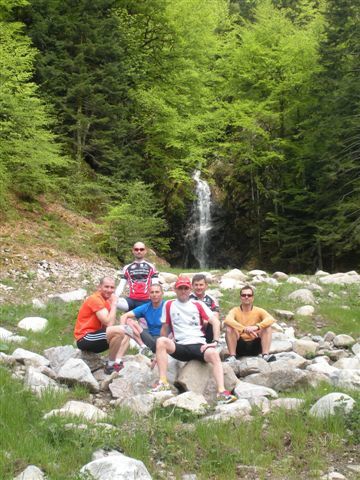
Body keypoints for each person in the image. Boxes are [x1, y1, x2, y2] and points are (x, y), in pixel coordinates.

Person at [151, 276, 237, 405]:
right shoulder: (168, 304)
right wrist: (158, 353)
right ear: (175, 289)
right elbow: (164, 328)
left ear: (190, 289)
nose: (183, 291)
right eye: (180, 288)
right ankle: (163, 382)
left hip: (199, 345)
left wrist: (214, 341)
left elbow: (215, 321)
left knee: (213, 353)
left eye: (186, 288)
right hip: (180, 346)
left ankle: (221, 392)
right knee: (161, 341)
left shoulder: (198, 304)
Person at [74, 277, 130, 374]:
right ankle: (111, 365)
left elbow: (108, 326)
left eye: (112, 287)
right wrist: (114, 304)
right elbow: (109, 323)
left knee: (127, 332)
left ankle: (116, 362)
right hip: (85, 338)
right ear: (99, 287)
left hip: (96, 337)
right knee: (120, 330)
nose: (109, 290)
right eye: (106, 287)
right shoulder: (95, 299)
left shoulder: (106, 302)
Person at [224, 285, 276, 363]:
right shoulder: (235, 310)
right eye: (244, 295)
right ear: (240, 297)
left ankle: (265, 355)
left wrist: (256, 327)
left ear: (253, 297)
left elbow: (271, 319)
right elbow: (227, 320)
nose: (246, 297)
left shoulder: (259, 310)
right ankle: (232, 356)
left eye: (249, 295)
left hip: (256, 344)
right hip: (239, 345)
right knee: (229, 328)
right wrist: (244, 329)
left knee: (267, 327)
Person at [120, 283, 165, 356]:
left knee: (134, 324)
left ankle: (147, 348)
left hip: (163, 339)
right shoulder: (146, 307)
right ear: (149, 294)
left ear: (162, 293)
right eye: (152, 292)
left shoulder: (167, 306)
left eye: (157, 292)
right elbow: (124, 316)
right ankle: (143, 347)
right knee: (129, 321)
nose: (154, 294)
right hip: (150, 337)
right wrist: (122, 331)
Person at [115, 241, 159, 311]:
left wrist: (156, 299)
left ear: (145, 251)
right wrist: (115, 296)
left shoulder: (151, 267)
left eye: (141, 249)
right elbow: (121, 285)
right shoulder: (127, 267)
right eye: (136, 249)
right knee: (111, 301)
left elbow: (155, 285)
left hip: (146, 301)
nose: (139, 251)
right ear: (133, 251)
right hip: (131, 301)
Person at [189, 273, 220, 343]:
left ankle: (212, 344)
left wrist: (206, 321)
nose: (198, 287)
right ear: (192, 286)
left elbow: (216, 317)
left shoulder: (212, 300)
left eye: (201, 285)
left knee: (214, 323)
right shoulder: (187, 299)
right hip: (192, 328)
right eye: (196, 285)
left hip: (208, 328)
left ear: (206, 286)